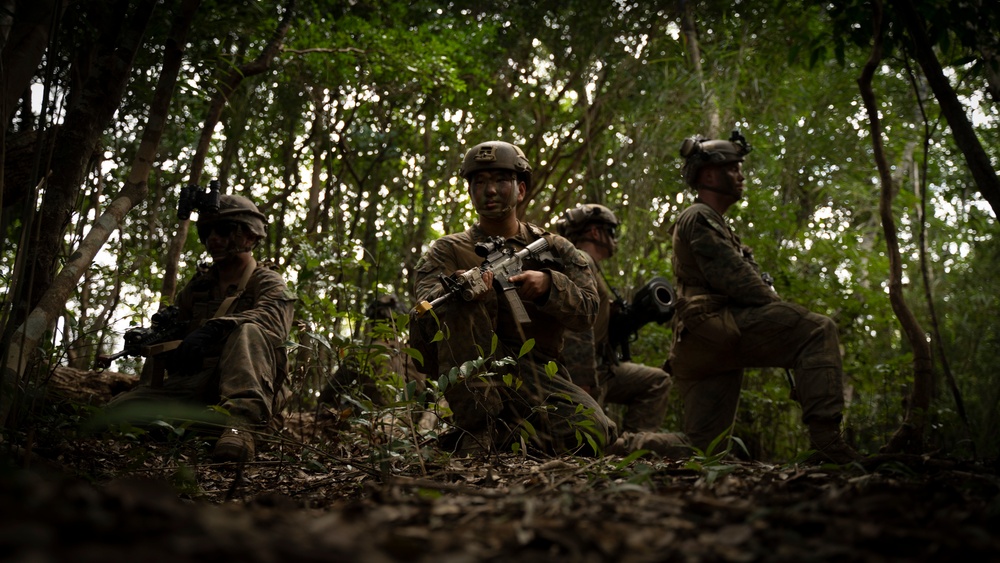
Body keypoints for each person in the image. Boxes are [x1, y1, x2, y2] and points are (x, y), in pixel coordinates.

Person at [668, 130, 860, 464]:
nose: (741, 176)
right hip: (713, 328)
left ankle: (622, 444)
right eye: (733, 168)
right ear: (710, 174)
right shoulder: (699, 216)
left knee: (702, 450)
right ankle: (829, 445)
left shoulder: (714, 222)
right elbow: (737, 281)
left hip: (701, 339)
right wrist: (777, 306)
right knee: (817, 330)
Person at [410, 140, 614, 455]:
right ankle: (478, 430)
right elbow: (425, 309)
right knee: (456, 301)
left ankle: (500, 436)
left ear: (520, 190)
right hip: (475, 371)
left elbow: (588, 310)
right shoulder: (448, 250)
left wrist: (550, 285)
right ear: (470, 192)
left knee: (592, 432)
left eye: (500, 181)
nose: (489, 190)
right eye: (480, 182)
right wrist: (462, 288)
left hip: (537, 371)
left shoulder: (555, 247)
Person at [108, 194, 296, 462]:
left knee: (249, 331)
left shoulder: (267, 281)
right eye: (207, 232)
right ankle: (199, 427)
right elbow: (179, 329)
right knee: (115, 414)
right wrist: (164, 344)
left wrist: (214, 328)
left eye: (224, 230)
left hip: (246, 392)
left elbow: (273, 318)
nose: (213, 239)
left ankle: (240, 427)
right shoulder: (198, 287)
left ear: (250, 236)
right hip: (196, 387)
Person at [556, 204, 673, 433]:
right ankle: (624, 449)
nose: (614, 239)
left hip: (603, 368)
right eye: (611, 232)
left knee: (656, 381)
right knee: (589, 442)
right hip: (582, 374)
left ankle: (633, 451)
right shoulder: (582, 261)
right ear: (596, 233)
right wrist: (582, 383)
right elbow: (576, 326)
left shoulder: (590, 268)